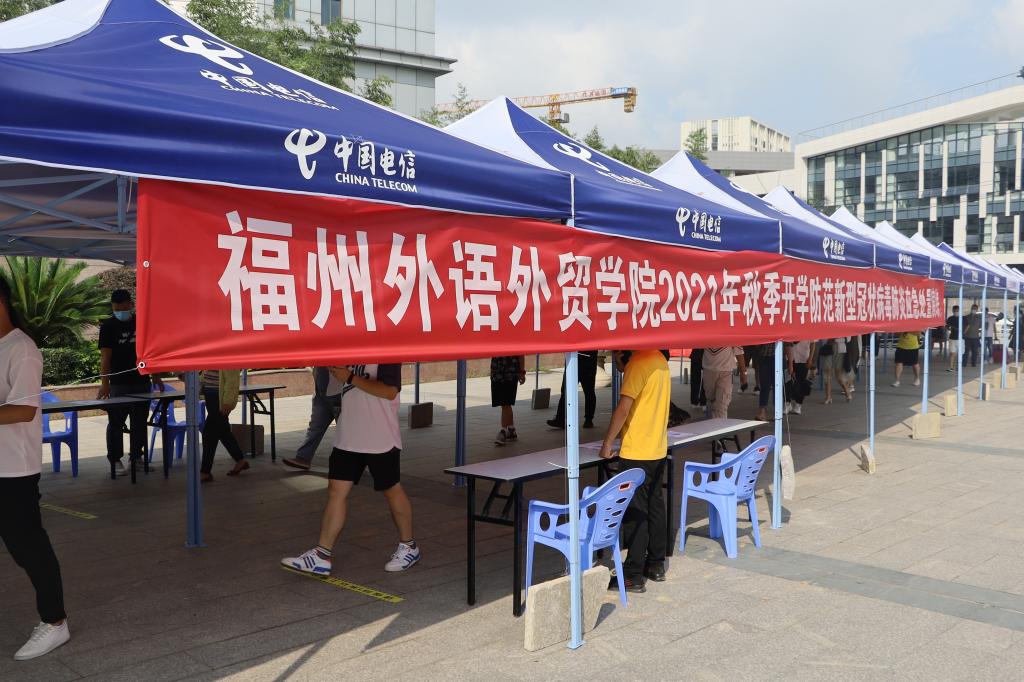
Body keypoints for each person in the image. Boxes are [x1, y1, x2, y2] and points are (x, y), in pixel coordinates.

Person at [282, 362, 419, 574]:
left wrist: (350, 377)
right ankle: (321, 555)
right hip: (348, 437)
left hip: (379, 437)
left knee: (391, 489)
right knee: (336, 492)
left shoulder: (385, 353)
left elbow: (390, 391)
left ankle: (409, 547)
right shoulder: (348, 352)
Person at [0, 275, 71, 660]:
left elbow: (23, 410)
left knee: (28, 547)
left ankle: (55, 622)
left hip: (13, 470)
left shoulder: (22, 349)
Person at [599, 349, 670, 594]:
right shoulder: (659, 359)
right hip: (657, 448)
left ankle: (632, 574)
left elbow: (623, 408)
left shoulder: (638, 363)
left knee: (635, 512)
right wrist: (623, 366)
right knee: (655, 506)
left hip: (637, 450)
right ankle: (656, 564)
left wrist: (607, 442)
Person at [97, 289, 160, 476]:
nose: (120, 312)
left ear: (131, 305)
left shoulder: (141, 322)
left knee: (139, 422)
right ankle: (115, 460)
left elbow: (151, 352)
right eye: (116, 309)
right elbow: (105, 358)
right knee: (116, 423)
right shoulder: (108, 326)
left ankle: (136, 458)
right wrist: (105, 384)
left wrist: (156, 376)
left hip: (141, 381)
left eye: (123, 309)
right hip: (119, 383)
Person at [283, 367, 341, 471]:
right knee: (315, 428)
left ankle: (351, 464)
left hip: (337, 394)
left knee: (344, 433)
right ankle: (303, 458)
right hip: (321, 395)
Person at [199, 369, 249, 482]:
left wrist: (228, 402)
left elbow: (232, 380)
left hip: (219, 399)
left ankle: (205, 472)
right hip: (211, 397)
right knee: (224, 432)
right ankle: (240, 461)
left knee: (209, 434)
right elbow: (206, 373)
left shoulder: (227, 359)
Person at [547, 351, 598, 430]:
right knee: (569, 391)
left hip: (584, 358)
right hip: (581, 358)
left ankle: (588, 419)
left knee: (588, 391)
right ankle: (561, 419)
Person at [701, 347, 746, 419]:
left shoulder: (732, 338)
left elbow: (739, 353)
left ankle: (719, 425)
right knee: (711, 401)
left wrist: (743, 373)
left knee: (721, 404)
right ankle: (710, 422)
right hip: (708, 370)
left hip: (726, 372)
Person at [491, 355, 525, 445]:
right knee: (504, 404)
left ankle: (503, 431)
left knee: (506, 403)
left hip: (510, 374)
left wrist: (522, 372)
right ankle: (511, 429)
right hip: (497, 373)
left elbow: (521, 354)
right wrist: (492, 372)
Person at [785, 340, 812, 415]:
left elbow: (813, 344)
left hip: (804, 358)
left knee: (802, 383)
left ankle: (798, 404)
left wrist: (810, 358)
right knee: (787, 382)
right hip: (790, 357)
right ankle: (787, 403)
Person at [946, 305, 963, 372]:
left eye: (957, 310)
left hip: (960, 339)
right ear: (953, 311)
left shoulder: (962, 318)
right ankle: (951, 367)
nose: (956, 312)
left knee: (959, 353)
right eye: (955, 310)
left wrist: (963, 333)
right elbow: (947, 326)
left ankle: (958, 366)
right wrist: (949, 328)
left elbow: (967, 326)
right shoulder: (950, 318)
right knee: (952, 353)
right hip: (952, 338)